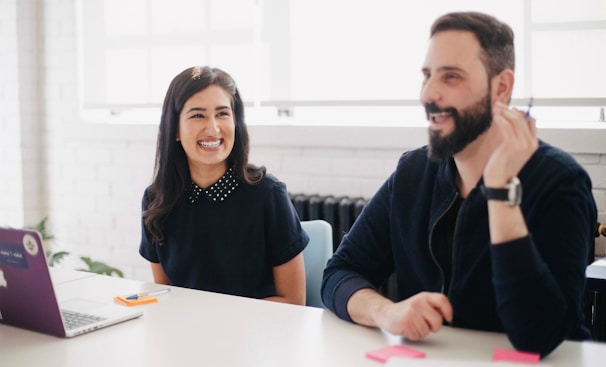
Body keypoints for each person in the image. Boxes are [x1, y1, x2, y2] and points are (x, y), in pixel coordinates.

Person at [321, 12, 597, 357]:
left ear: (501, 88)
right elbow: (339, 273)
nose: (429, 93)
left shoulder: (561, 182)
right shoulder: (414, 171)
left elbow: (539, 336)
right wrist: (386, 311)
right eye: (427, 75)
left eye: (451, 76)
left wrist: (500, 192)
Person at [140, 66, 308, 305]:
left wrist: (217, 321)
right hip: (187, 333)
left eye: (222, 114)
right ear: (175, 129)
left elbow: (293, 301)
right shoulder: (157, 199)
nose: (213, 128)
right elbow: (167, 295)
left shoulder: (267, 195)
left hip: (259, 334)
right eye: (198, 115)